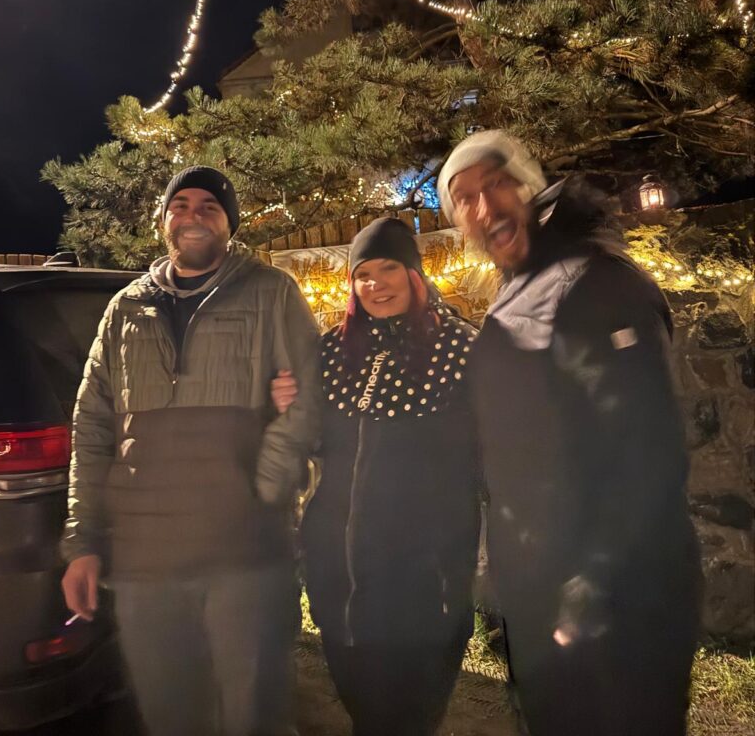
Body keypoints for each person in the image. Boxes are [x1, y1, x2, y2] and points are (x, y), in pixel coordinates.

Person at [437, 130, 702, 736]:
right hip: (542, 587)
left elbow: (644, 451)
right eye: (465, 198)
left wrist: (594, 583)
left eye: (496, 184)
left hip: (618, 597)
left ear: (529, 188)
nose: (485, 206)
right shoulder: (521, 287)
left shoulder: (594, 281)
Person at [61, 166, 322, 736]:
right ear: (163, 221)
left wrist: (267, 489)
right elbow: (92, 429)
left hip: (245, 557)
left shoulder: (270, 292)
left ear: (230, 223)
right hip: (145, 561)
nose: (193, 215)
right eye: (180, 205)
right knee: (171, 713)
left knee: (255, 713)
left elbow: (308, 398)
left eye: (210, 206)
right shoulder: (126, 308)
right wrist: (83, 543)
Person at [272, 217, 480, 736]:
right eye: (362, 274)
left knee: (409, 716)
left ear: (415, 274)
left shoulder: (461, 349)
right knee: (364, 711)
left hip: (422, 583)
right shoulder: (332, 351)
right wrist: (286, 405)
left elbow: (492, 456)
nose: (375, 284)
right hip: (338, 580)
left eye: (388, 269)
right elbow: (312, 441)